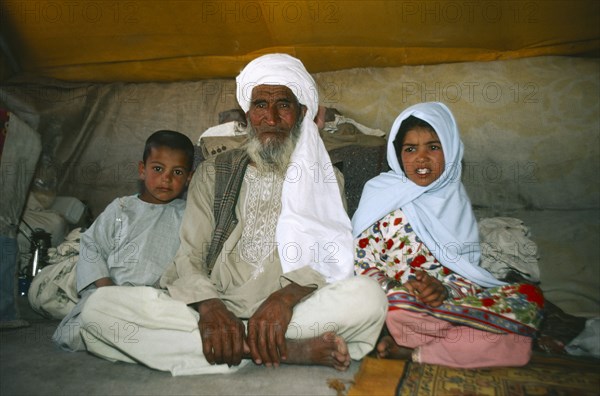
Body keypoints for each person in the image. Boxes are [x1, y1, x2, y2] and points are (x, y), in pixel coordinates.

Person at [74, 53, 387, 376]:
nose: (271, 117)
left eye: (283, 104)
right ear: (248, 114)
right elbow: (189, 255)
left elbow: (331, 255)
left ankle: (230, 347)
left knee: (370, 298)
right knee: (98, 309)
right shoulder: (213, 172)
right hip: (216, 309)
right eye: (260, 105)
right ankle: (274, 349)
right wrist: (210, 307)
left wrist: (284, 299)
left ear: (301, 113)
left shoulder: (325, 178)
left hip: (293, 313)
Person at [352, 102, 544, 368]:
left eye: (433, 147)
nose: (421, 158)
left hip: (449, 304)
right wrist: (399, 289)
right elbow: (362, 266)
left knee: (527, 297)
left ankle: (416, 350)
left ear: (451, 151)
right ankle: (467, 343)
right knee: (398, 310)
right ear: (397, 155)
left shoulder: (456, 203)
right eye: (410, 149)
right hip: (401, 304)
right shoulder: (380, 196)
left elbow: (469, 274)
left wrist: (443, 290)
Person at [52, 130, 194, 350]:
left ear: (189, 178)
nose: (166, 178)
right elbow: (93, 246)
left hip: (156, 298)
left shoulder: (187, 214)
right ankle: (137, 344)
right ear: (141, 170)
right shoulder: (122, 208)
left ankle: (132, 344)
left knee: (184, 318)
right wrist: (105, 288)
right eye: (158, 169)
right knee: (90, 317)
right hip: (112, 293)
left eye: (177, 172)